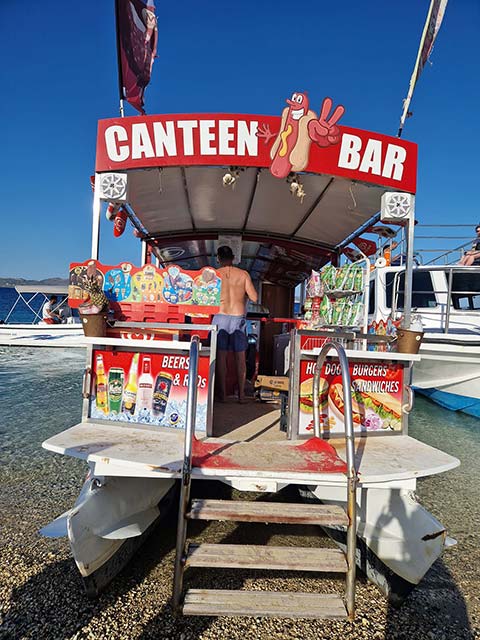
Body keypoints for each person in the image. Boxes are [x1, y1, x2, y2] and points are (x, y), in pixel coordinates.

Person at [213, 245, 258, 403]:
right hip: (238, 317)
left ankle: (223, 395)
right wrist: (242, 296)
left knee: (221, 357)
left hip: (220, 316)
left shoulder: (214, 275)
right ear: (233, 258)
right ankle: (241, 396)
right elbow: (254, 298)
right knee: (240, 358)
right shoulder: (243, 274)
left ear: (218, 258)